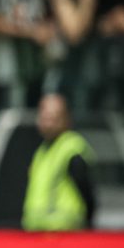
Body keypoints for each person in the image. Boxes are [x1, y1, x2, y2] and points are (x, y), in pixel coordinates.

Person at [22, 94, 96, 231]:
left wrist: (89, 224)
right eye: (44, 118)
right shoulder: (42, 151)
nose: (48, 123)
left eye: (54, 118)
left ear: (66, 119)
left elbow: (87, 192)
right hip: (36, 233)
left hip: (66, 233)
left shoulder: (72, 147)